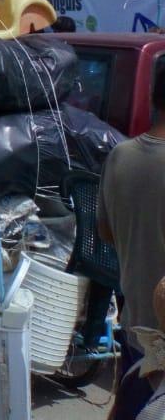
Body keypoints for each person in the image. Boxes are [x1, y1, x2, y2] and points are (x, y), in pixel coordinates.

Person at [99, 88, 165, 420]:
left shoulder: (119, 156)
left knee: (127, 407)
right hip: (159, 341)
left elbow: (106, 232)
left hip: (134, 322)